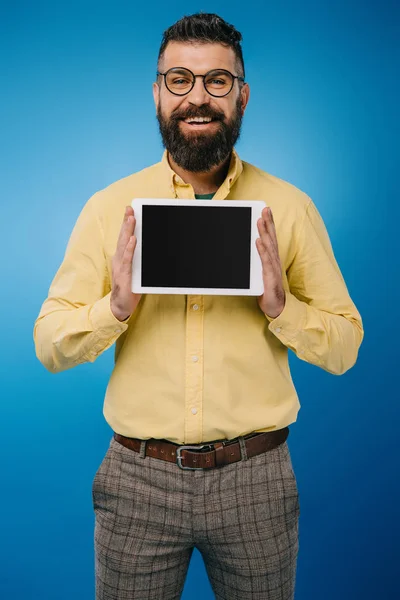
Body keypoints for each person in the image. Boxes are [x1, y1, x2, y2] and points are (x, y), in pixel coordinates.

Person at [33, 12, 364, 600]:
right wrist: (115, 307)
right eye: (180, 80)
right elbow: (49, 343)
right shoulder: (111, 209)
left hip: (257, 479)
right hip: (137, 480)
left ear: (242, 95)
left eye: (217, 81)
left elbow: (345, 346)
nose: (198, 98)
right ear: (158, 93)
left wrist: (281, 308)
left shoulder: (288, 209)